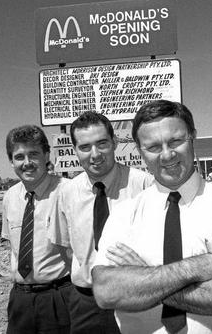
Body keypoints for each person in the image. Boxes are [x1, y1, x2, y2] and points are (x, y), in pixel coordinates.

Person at [92, 100, 212, 333]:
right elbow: (106, 292)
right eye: (153, 147)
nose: (167, 155)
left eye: (176, 141)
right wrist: (196, 268)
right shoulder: (124, 215)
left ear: (192, 136)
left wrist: (143, 278)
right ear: (139, 150)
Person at [48, 111, 154, 332]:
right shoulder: (66, 193)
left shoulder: (144, 185)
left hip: (136, 297)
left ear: (114, 143)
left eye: (102, 143)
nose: (94, 154)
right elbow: (64, 248)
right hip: (86, 302)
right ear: (75, 150)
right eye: (85, 147)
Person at [2, 125, 72, 333]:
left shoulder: (68, 191)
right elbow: (13, 248)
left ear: (46, 155)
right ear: (11, 161)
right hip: (20, 298)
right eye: (19, 156)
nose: (27, 163)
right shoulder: (10, 197)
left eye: (33, 154)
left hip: (58, 296)